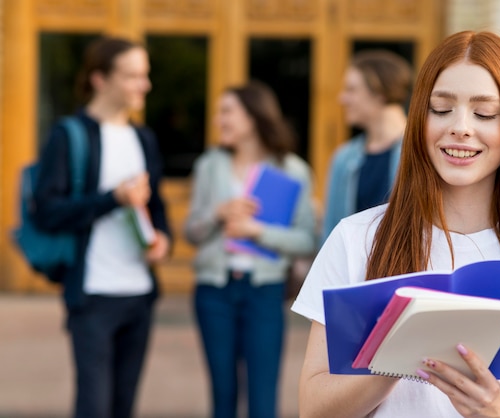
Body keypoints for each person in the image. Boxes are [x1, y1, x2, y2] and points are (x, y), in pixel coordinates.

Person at [291, 30, 500, 417]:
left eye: (485, 113)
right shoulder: (356, 239)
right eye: (441, 109)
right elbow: (312, 407)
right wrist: (397, 355)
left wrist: (499, 407)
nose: (460, 126)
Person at [33, 36, 171, 418]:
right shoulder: (69, 135)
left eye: (145, 75)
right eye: (132, 76)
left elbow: (156, 208)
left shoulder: (143, 138)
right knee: (94, 407)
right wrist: (113, 198)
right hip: (92, 294)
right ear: (99, 79)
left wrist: (163, 241)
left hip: (140, 294)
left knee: (124, 407)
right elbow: (47, 211)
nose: (144, 85)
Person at [184, 81, 316, 418]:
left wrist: (258, 232)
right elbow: (191, 232)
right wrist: (218, 214)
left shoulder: (293, 170)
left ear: (254, 116)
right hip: (214, 291)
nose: (219, 120)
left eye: (227, 111)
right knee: (223, 395)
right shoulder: (209, 165)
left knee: (262, 399)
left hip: (264, 292)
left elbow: (306, 240)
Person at [321, 49, 413, 242]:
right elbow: (330, 232)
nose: (341, 99)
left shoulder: (420, 151)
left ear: (379, 92)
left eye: (351, 90)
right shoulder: (344, 158)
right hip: (353, 270)